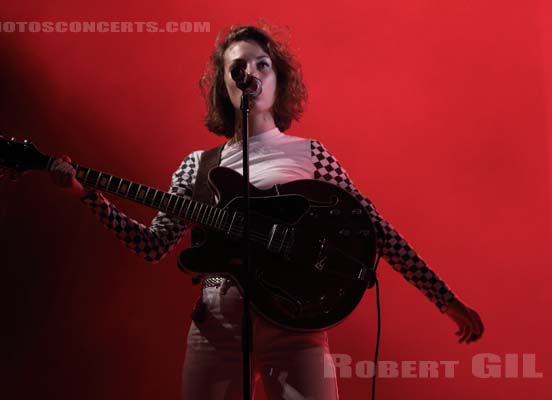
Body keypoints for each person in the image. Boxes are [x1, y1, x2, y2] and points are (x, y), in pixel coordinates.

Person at [50, 24, 484, 400]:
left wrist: (444, 300)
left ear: (279, 80)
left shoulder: (311, 154)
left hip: (296, 329)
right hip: (216, 331)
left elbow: (376, 230)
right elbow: (152, 246)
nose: (251, 74)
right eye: (238, 67)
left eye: (262, 65)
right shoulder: (196, 166)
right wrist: (88, 195)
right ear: (224, 85)